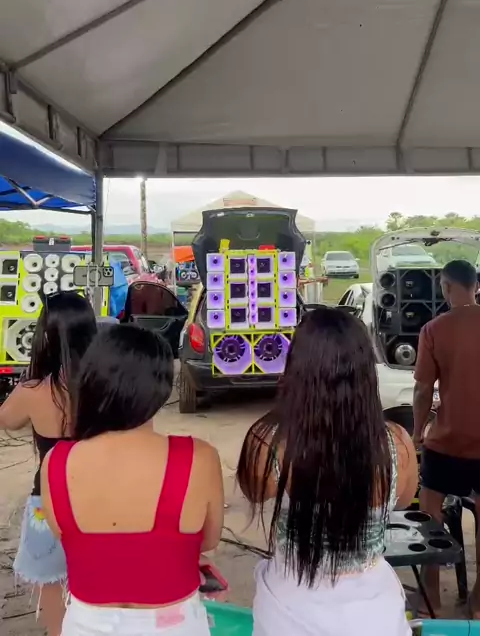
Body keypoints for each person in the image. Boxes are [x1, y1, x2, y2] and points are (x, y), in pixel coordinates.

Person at [237, 306, 417, 636]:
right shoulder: (398, 444)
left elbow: (253, 491)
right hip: (374, 617)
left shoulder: (267, 442)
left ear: (296, 369)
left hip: (288, 613)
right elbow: (403, 501)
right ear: (366, 372)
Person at [41, 323, 224, 636]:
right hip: (175, 625)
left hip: (85, 625)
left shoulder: (55, 462)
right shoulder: (199, 458)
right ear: (161, 388)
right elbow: (207, 541)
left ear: (91, 381)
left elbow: (68, 539)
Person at [0, 291, 97, 636]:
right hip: (103, 498)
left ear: (46, 334)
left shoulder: (32, 390)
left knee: (51, 585)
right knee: (99, 582)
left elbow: (7, 420)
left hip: (48, 500)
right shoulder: (104, 385)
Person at [414, 259, 480, 616]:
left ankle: (431, 597)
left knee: (430, 511)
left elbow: (423, 390)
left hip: (447, 444)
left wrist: (417, 432)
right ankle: (478, 603)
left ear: (446, 287)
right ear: (477, 287)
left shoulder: (434, 329)